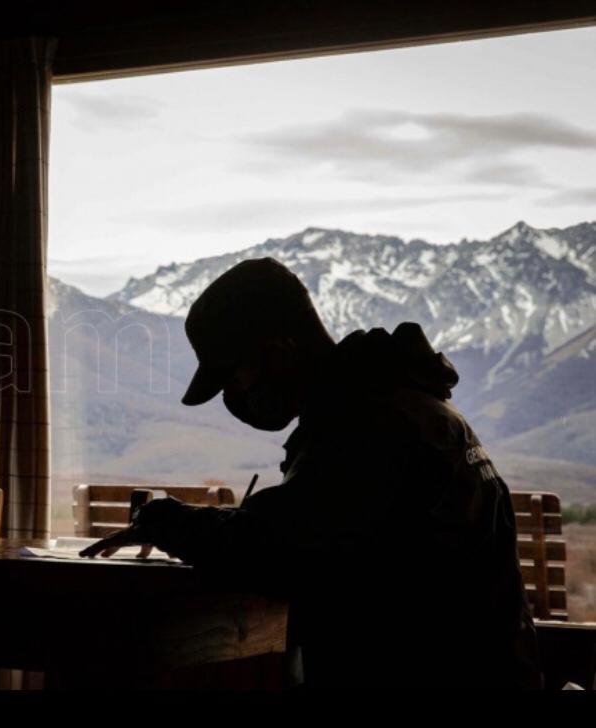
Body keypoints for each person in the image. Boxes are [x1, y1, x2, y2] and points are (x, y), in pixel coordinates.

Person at [80, 258, 542, 689]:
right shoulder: (410, 407)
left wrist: (164, 520)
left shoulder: (365, 426)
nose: (236, 397)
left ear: (279, 352)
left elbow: (276, 546)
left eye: (236, 378)